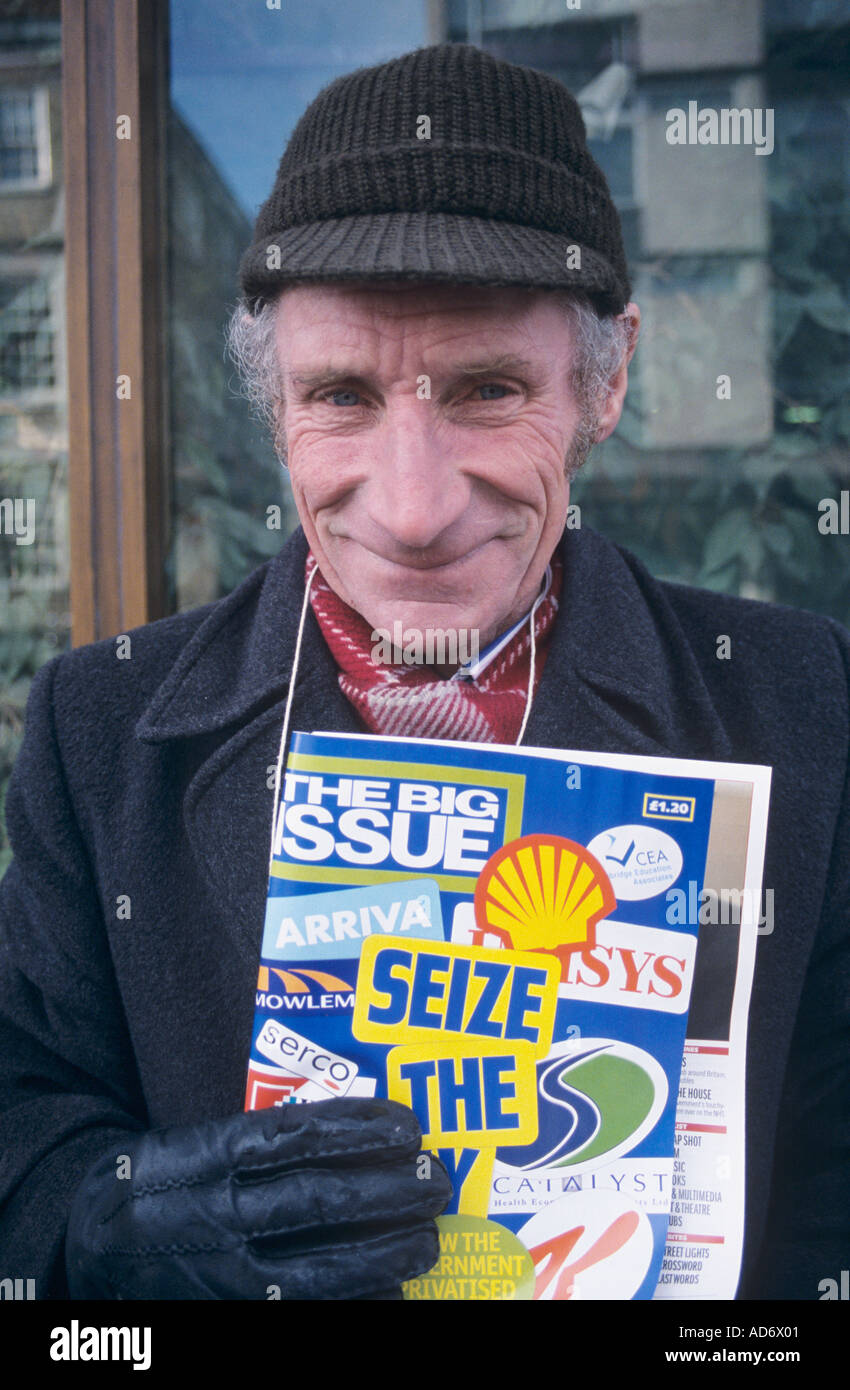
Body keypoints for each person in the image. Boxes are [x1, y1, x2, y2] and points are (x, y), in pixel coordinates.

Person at [0, 43, 847, 1302]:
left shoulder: (801, 699)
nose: (411, 508)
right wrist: (129, 1224)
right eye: (340, 395)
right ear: (272, 408)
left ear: (603, 380)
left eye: (489, 389)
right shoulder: (98, 726)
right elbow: (28, 1124)